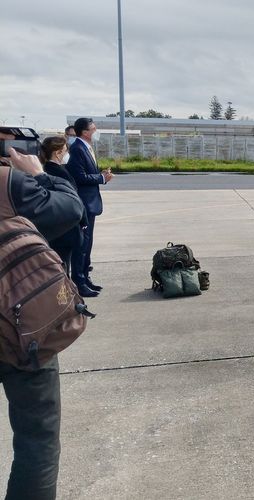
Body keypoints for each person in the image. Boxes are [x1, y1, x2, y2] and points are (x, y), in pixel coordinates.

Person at [0, 143, 85, 500]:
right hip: (19, 328)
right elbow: (69, 208)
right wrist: (39, 171)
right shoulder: (8, 182)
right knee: (38, 437)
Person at [66, 117, 112, 298]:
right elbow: (79, 177)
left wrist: (101, 175)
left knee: (88, 243)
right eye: (94, 128)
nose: (96, 130)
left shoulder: (87, 147)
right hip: (84, 204)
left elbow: (88, 174)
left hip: (90, 203)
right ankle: (79, 281)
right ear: (85, 132)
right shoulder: (77, 149)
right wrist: (101, 179)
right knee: (82, 244)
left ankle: (85, 276)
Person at [40, 136, 86, 276]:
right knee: (62, 266)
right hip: (65, 228)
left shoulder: (46, 170)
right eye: (66, 151)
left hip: (54, 228)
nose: (67, 155)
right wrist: (83, 220)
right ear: (57, 153)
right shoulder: (58, 172)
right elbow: (72, 199)